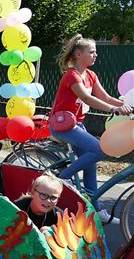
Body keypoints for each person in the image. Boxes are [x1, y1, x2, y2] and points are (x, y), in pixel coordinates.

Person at [50, 34, 132, 224]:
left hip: (77, 125)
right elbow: (87, 98)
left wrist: (126, 106)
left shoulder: (91, 75)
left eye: (96, 52)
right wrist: (114, 110)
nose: (96, 55)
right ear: (78, 54)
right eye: (92, 52)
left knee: (90, 164)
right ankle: (64, 176)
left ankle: (96, 209)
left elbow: (107, 97)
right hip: (62, 125)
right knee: (99, 149)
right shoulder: (72, 75)